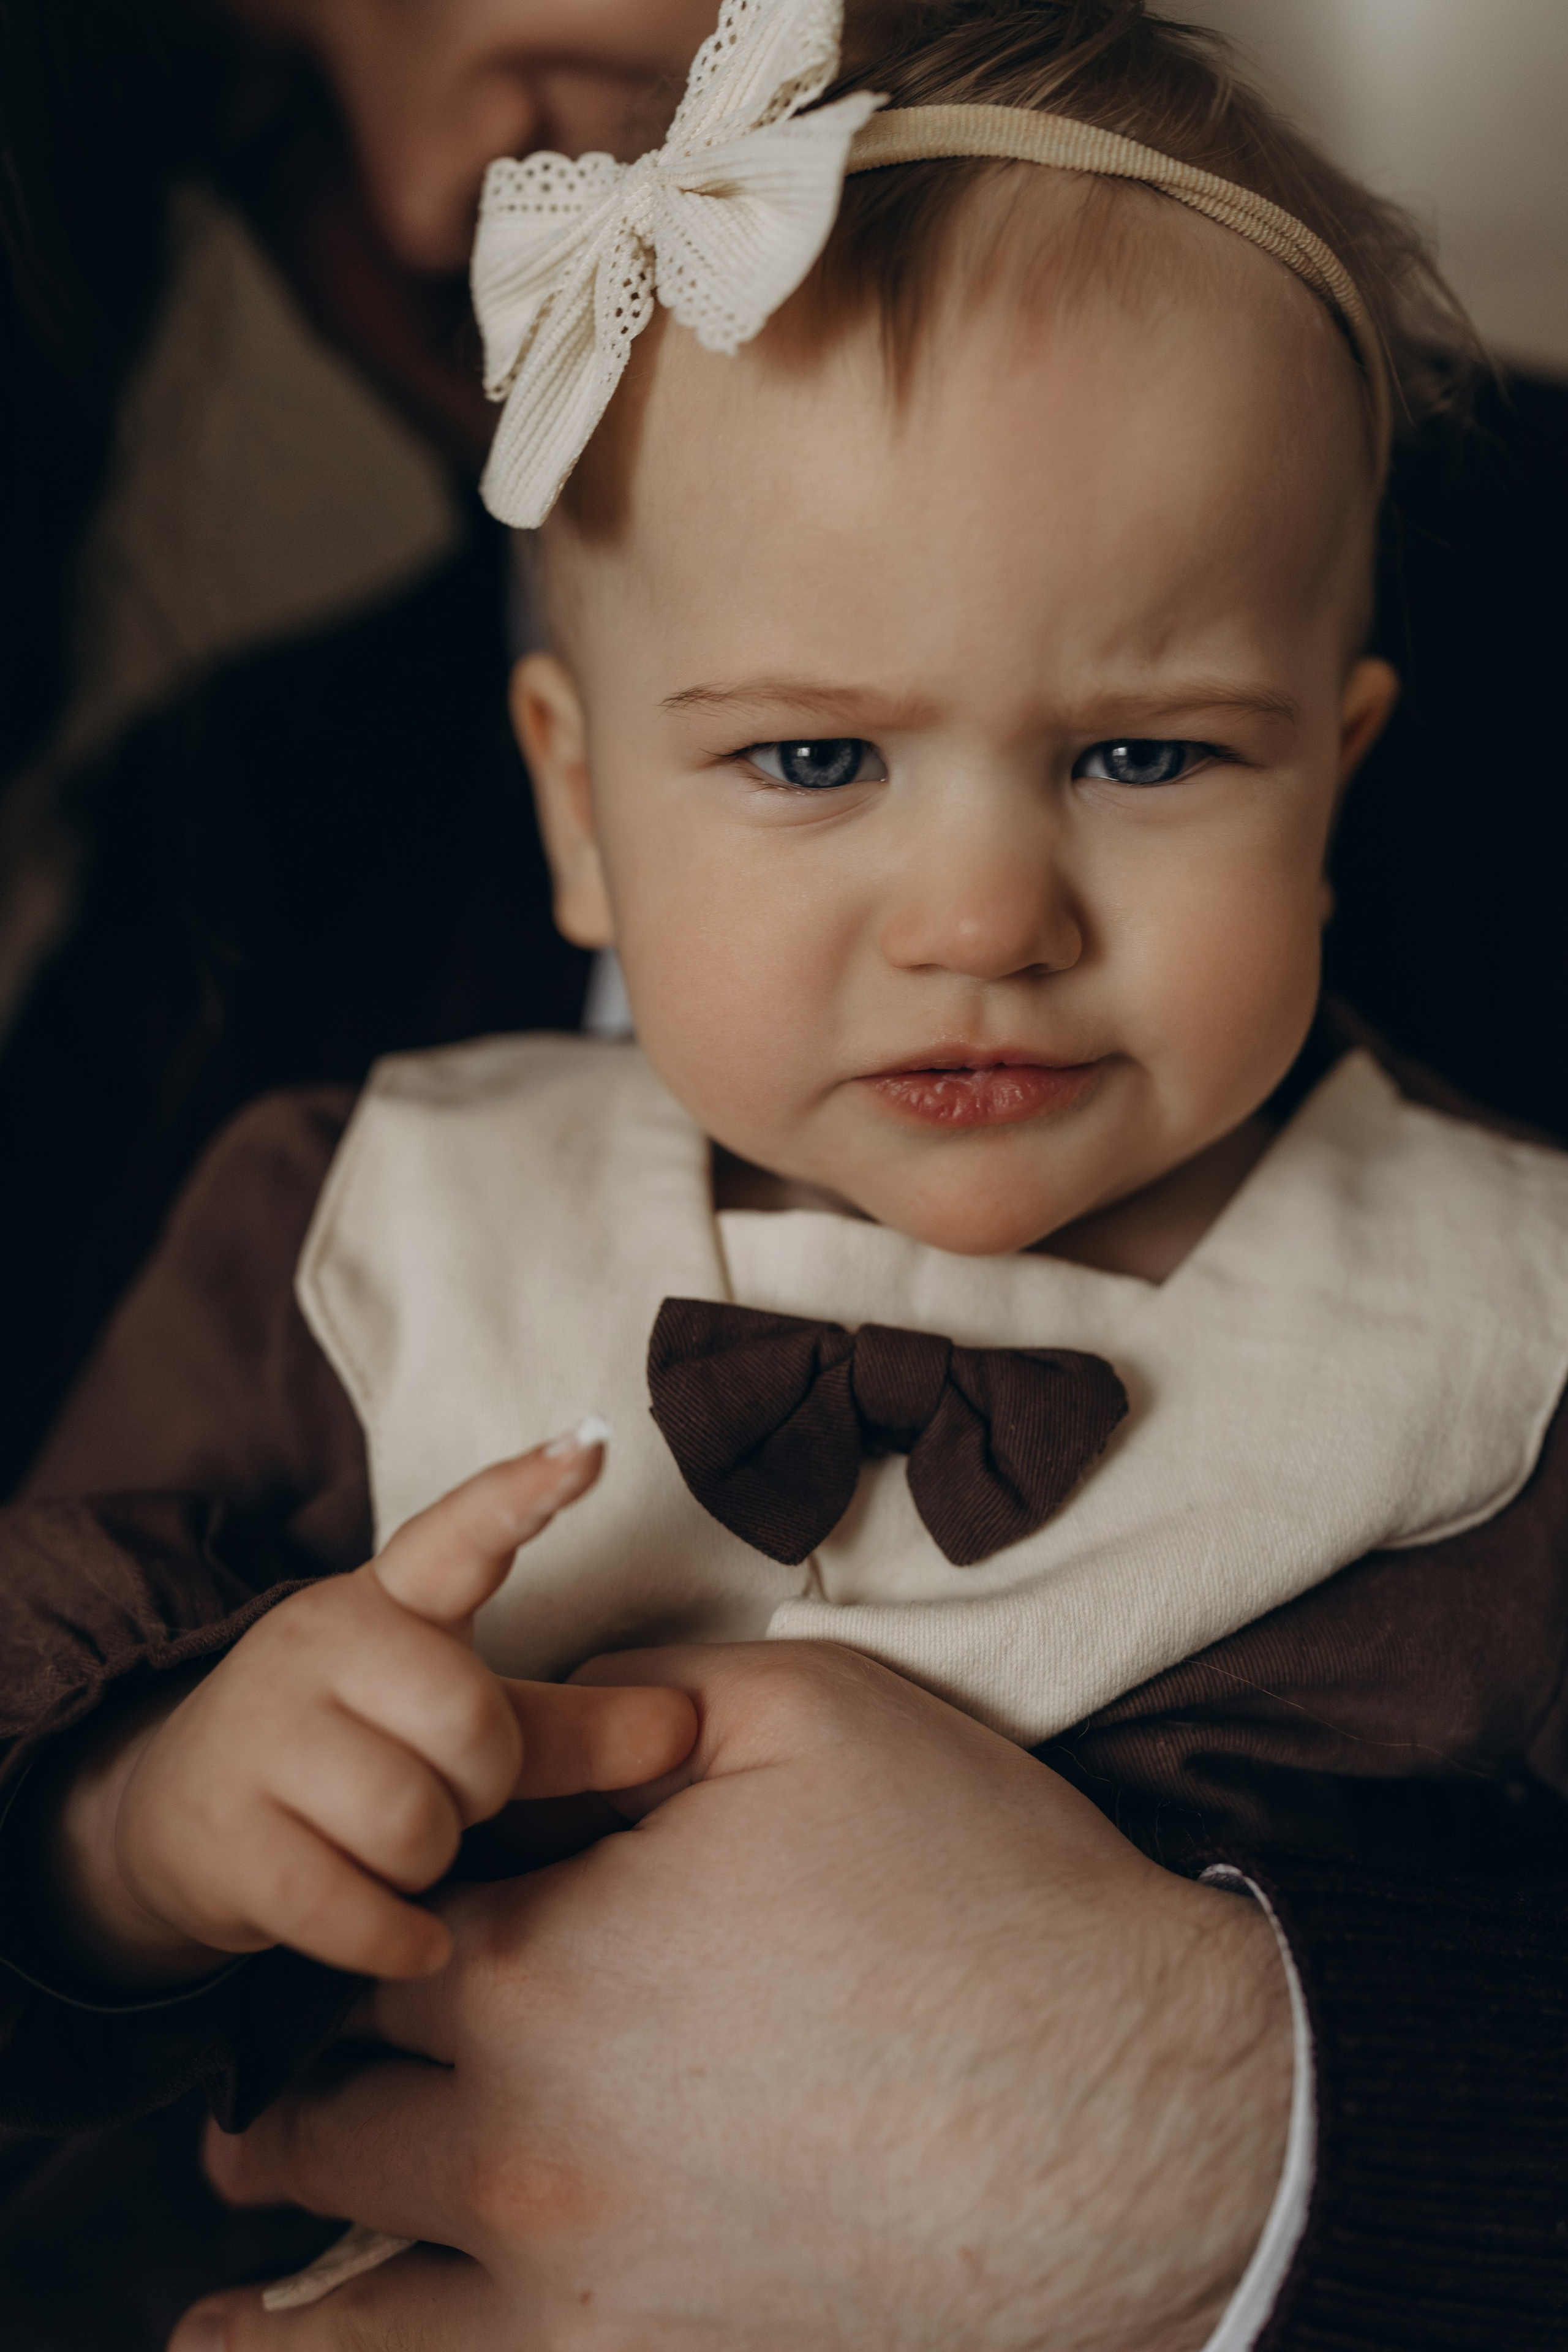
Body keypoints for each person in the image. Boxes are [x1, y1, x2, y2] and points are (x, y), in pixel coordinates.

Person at [3, 0, 1567, 2343]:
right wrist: (136, 1830)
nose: (980, 916)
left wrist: (1258, 2130)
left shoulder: (1506, 1348)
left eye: (1146, 753)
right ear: (573, 799)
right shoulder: (350, 1224)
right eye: (816, 753)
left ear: (1337, 771)